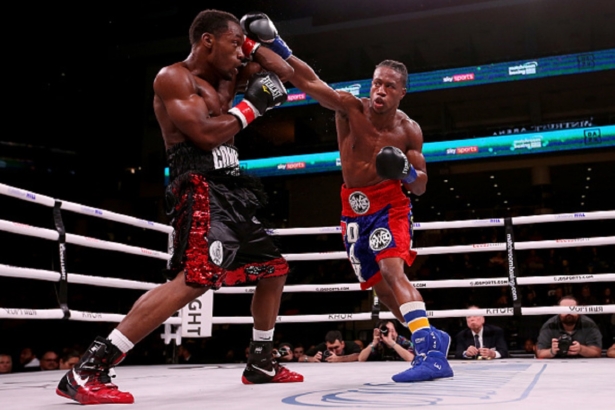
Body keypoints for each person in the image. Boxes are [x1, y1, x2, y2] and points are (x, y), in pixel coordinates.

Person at [57, 9, 302, 405]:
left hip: (234, 187)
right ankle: (89, 368)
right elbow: (204, 136)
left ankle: (261, 361)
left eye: (243, 46)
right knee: (195, 279)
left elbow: (284, 73)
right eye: (233, 43)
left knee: (273, 270)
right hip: (200, 184)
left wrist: (258, 40)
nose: (241, 54)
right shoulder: (173, 78)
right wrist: (251, 107)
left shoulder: (229, 75)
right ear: (207, 41)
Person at [240, 12, 453, 382]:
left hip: (390, 204)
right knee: (382, 291)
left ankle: (430, 355)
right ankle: (432, 337)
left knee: (392, 269)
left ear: (402, 92)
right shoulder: (349, 108)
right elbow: (305, 79)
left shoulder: (409, 131)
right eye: (376, 83)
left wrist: (404, 171)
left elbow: (420, 185)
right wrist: (271, 45)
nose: (380, 91)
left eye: (389, 86)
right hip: (353, 210)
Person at [536, 295, 602, 359]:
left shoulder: (588, 324)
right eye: (564, 309)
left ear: (578, 310)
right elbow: (540, 353)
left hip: (583, 365)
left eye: (572, 309)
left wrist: (581, 349)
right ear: (558, 311)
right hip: (556, 365)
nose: (568, 312)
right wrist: (552, 351)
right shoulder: (549, 325)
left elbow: (597, 352)